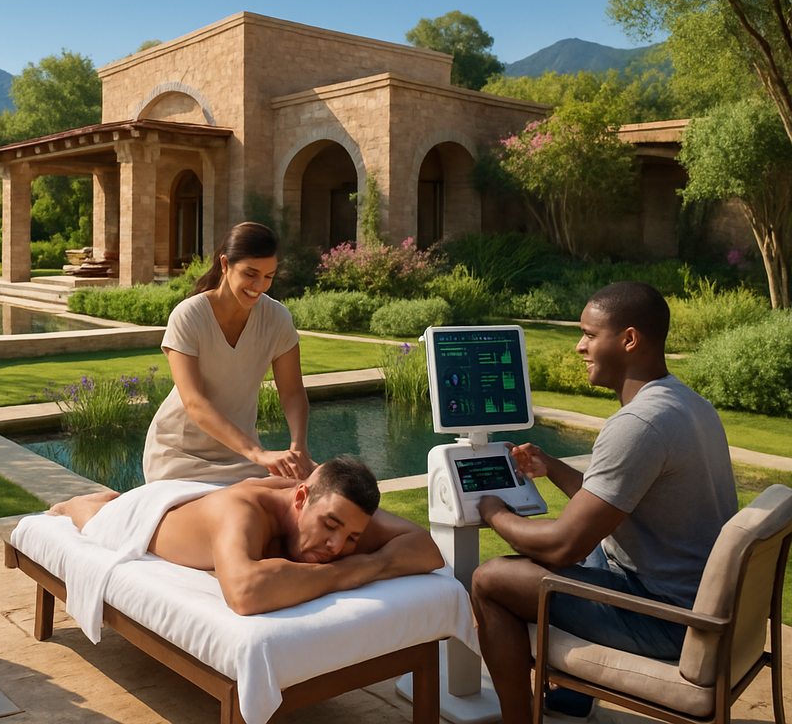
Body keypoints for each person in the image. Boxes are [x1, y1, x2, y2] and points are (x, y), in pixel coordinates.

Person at [470, 281, 737, 721]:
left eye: (590, 335)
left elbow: (561, 546)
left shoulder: (639, 423)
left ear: (629, 339)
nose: (579, 346)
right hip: (692, 598)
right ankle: (573, 696)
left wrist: (494, 512)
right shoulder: (687, 403)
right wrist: (551, 466)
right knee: (589, 537)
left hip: (669, 619)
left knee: (492, 579)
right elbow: (616, 504)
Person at [52, 457, 444, 615]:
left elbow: (428, 551)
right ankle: (88, 500)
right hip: (144, 515)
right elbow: (244, 593)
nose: (337, 547)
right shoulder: (242, 511)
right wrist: (350, 572)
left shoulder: (339, 510)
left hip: (204, 502)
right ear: (301, 498)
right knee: (94, 517)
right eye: (330, 527)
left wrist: (369, 561)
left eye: (352, 538)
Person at [144, 221, 313, 484]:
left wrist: (298, 446)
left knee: (315, 495)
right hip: (179, 457)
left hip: (242, 458)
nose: (259, 285)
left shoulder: (277, 318)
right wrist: (258, 453)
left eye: (269, 276)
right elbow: (194, 402)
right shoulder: (189, 316)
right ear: (225, 265)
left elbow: (291, 391)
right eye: (250, 274)